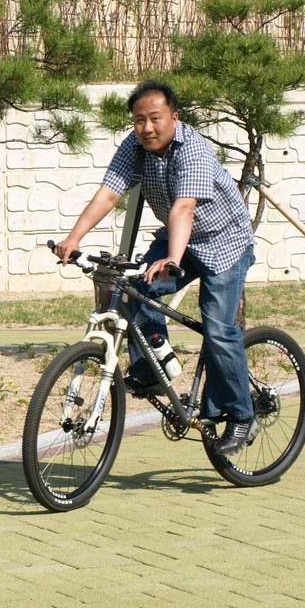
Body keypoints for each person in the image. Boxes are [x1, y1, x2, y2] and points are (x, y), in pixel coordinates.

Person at [53, 80, 258, 455]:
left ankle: (241, 415)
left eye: (155, 118)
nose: (146, 128)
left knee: (218, 327)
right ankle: (152, 369)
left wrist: (172, 259)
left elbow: (185, 207)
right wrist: (74, 238)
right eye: (138, 120)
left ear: (174, 118)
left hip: (224, 241)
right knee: (132, 288)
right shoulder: (134, 147)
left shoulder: (193, 149)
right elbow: (109, 192)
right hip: (178, 237)